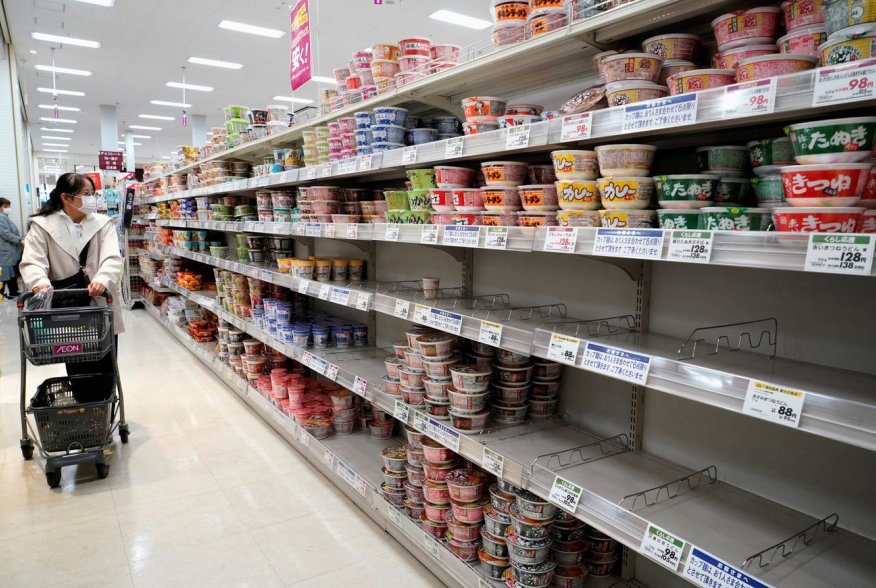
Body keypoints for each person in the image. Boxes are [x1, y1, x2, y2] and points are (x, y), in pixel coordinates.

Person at [20, 173, 125, 383]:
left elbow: (113, 257)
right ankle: (82, 402)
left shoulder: (103, 223)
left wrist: (102, 279)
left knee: (105, 357)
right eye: (85, 194)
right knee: (74, 353)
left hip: (100, 299)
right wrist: (39, 283)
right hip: (67, 302)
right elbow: (33, 261)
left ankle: (103, 404)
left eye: (92, 193)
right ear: (65, 197)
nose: (92, 199)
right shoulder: (42, 226)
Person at [0, 197, 22, 299]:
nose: (8, 208)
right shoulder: (1, 217)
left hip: (8, 250)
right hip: (5, 251)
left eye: (9, 206)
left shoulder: (5, 217)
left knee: (10, 271)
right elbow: (5, 233)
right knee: (5, 273)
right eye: (5, 206)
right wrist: (19, 240)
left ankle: (13, 291)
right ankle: (1, 293)